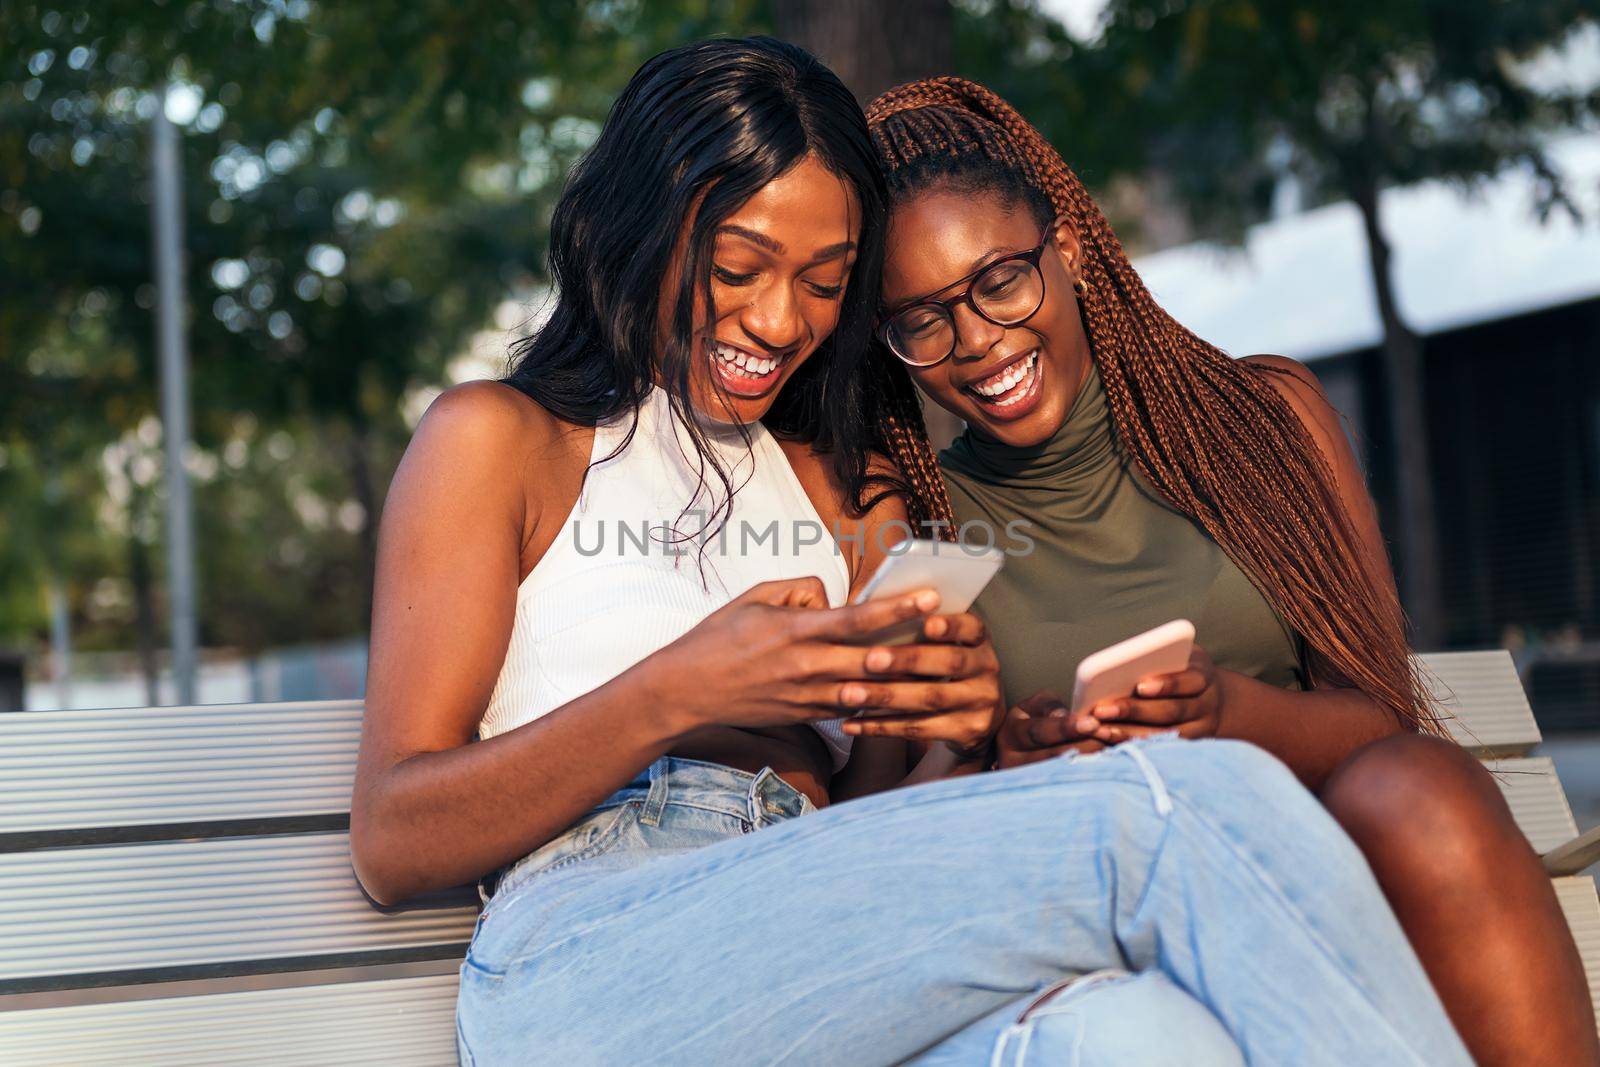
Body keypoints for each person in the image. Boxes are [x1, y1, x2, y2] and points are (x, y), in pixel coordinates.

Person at [352, 38, 1468, 1065]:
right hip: (596, 946)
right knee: (1169, 806)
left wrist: (937, 741)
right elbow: (394, 837)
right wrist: (676, 690)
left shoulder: (844, 486)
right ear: (642, 226)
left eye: (825, 281)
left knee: (1140, 1034)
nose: (780, 320)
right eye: (738, 264)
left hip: (810, 919)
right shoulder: (503, 440)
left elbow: (866, 820)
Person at [862, 76, 1598, 1067]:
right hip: (1104, 926)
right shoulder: (915, 521)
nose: (977, 339)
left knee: (1418, 788)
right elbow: (880, 831)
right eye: (920, 318)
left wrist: (1223, 715)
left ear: (1068, 247)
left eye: (1000, 279)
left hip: (1332, 863)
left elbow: (1377, 713)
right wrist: (1010, 764)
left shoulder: (1255, 423)